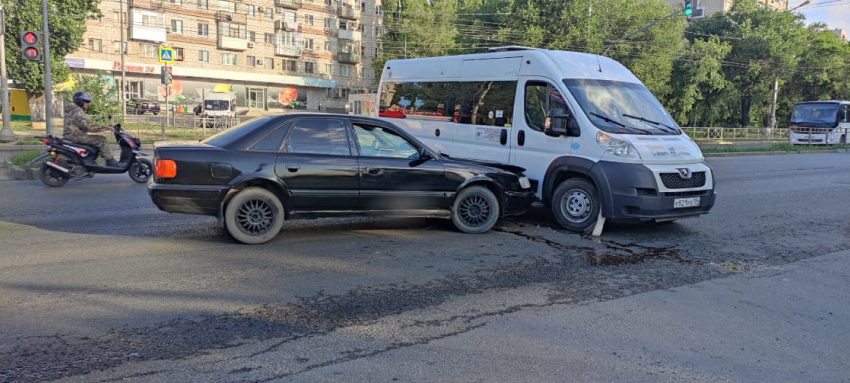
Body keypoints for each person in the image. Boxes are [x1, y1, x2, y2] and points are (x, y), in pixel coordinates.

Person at [63, 92, 118, 167]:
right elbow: (88, 126)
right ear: (80, 101)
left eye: (88, 101)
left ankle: (90, 159)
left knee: (94, 141)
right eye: (86, 101)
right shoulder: (77, 111)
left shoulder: (72, 110)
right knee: (101, 140)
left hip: (72, 135)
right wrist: (106, 128)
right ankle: (110, 161)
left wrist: (102, 128)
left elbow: (86, 125)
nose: (88, 103)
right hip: (75, 136)